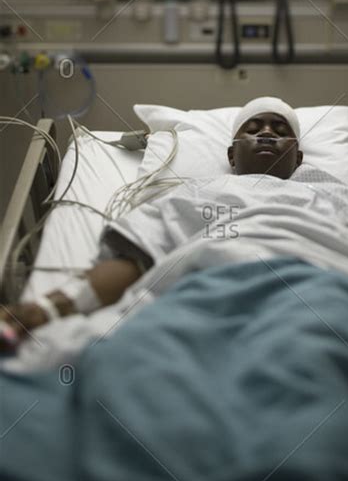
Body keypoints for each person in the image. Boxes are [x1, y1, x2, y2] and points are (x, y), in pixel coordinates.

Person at [0, 97, 303, 348]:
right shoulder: (197, 194)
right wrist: (47, 309)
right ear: (231, 156)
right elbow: (140, 255)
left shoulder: (334, 195)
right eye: (253, 129)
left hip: (305, 302)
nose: (266, 133)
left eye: (279, 130)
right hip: (203, 301)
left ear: (299, 158)